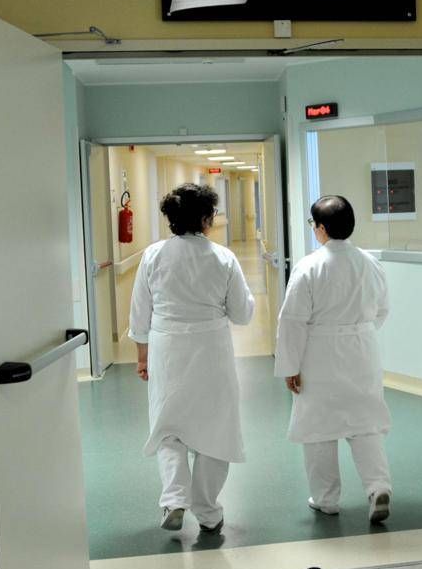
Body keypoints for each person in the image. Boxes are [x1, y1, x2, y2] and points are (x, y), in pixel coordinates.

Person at [128, 182, 255, 533]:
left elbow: (140, 313)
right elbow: (242, 313)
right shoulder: (223, 257)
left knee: (168, 428)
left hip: (167, 349)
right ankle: (208, 511)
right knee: (216, 429)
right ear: (206, 218)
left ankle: (173, 499)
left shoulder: (153, 255)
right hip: (211, 350)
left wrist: (142, 357)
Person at [274, 195, 392, 523]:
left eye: (314, 224)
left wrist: (290, 366)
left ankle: (326, 499)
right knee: (365, 424)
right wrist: (359, 332)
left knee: (318, 429)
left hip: (319, 355)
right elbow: (382, 309)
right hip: (362, 350)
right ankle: (378, 487)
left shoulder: (309, 266)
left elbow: (292, 320)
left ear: (321, 228)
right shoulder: (370, 263)